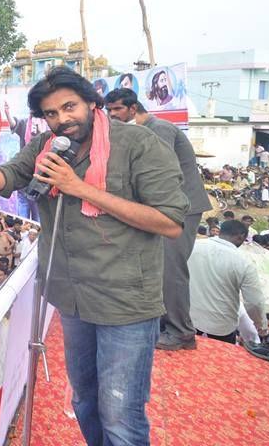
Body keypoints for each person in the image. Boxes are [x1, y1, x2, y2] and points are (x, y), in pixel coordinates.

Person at [0, 66, 188, 446]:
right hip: (71, 297)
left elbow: (171, 222)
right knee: (85, 401)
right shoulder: (44, 148)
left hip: (126, 303)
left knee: (121, 413)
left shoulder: (138, 144)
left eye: (69, 107)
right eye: (51, 113)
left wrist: (80, 188)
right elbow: (6, 178)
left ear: (91, 101)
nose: (61, 119)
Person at [105, 88, 211, 351]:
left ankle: (181, 332)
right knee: (158, 267)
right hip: (161, 209)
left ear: (132, 108)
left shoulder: (158, 129)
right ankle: (166, 325)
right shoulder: (141, 131)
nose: (112, 114)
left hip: (178, 210)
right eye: (108, 110)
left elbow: (161, 175)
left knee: (171, 269)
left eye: (117, 109)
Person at [188, 220, 269, 348]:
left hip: (188, 318)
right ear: (241, 236)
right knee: (220, 363)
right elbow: (254, 302)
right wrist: (262, 329)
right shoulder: (243, 262)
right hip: (221, 327)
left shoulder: (193, 246)